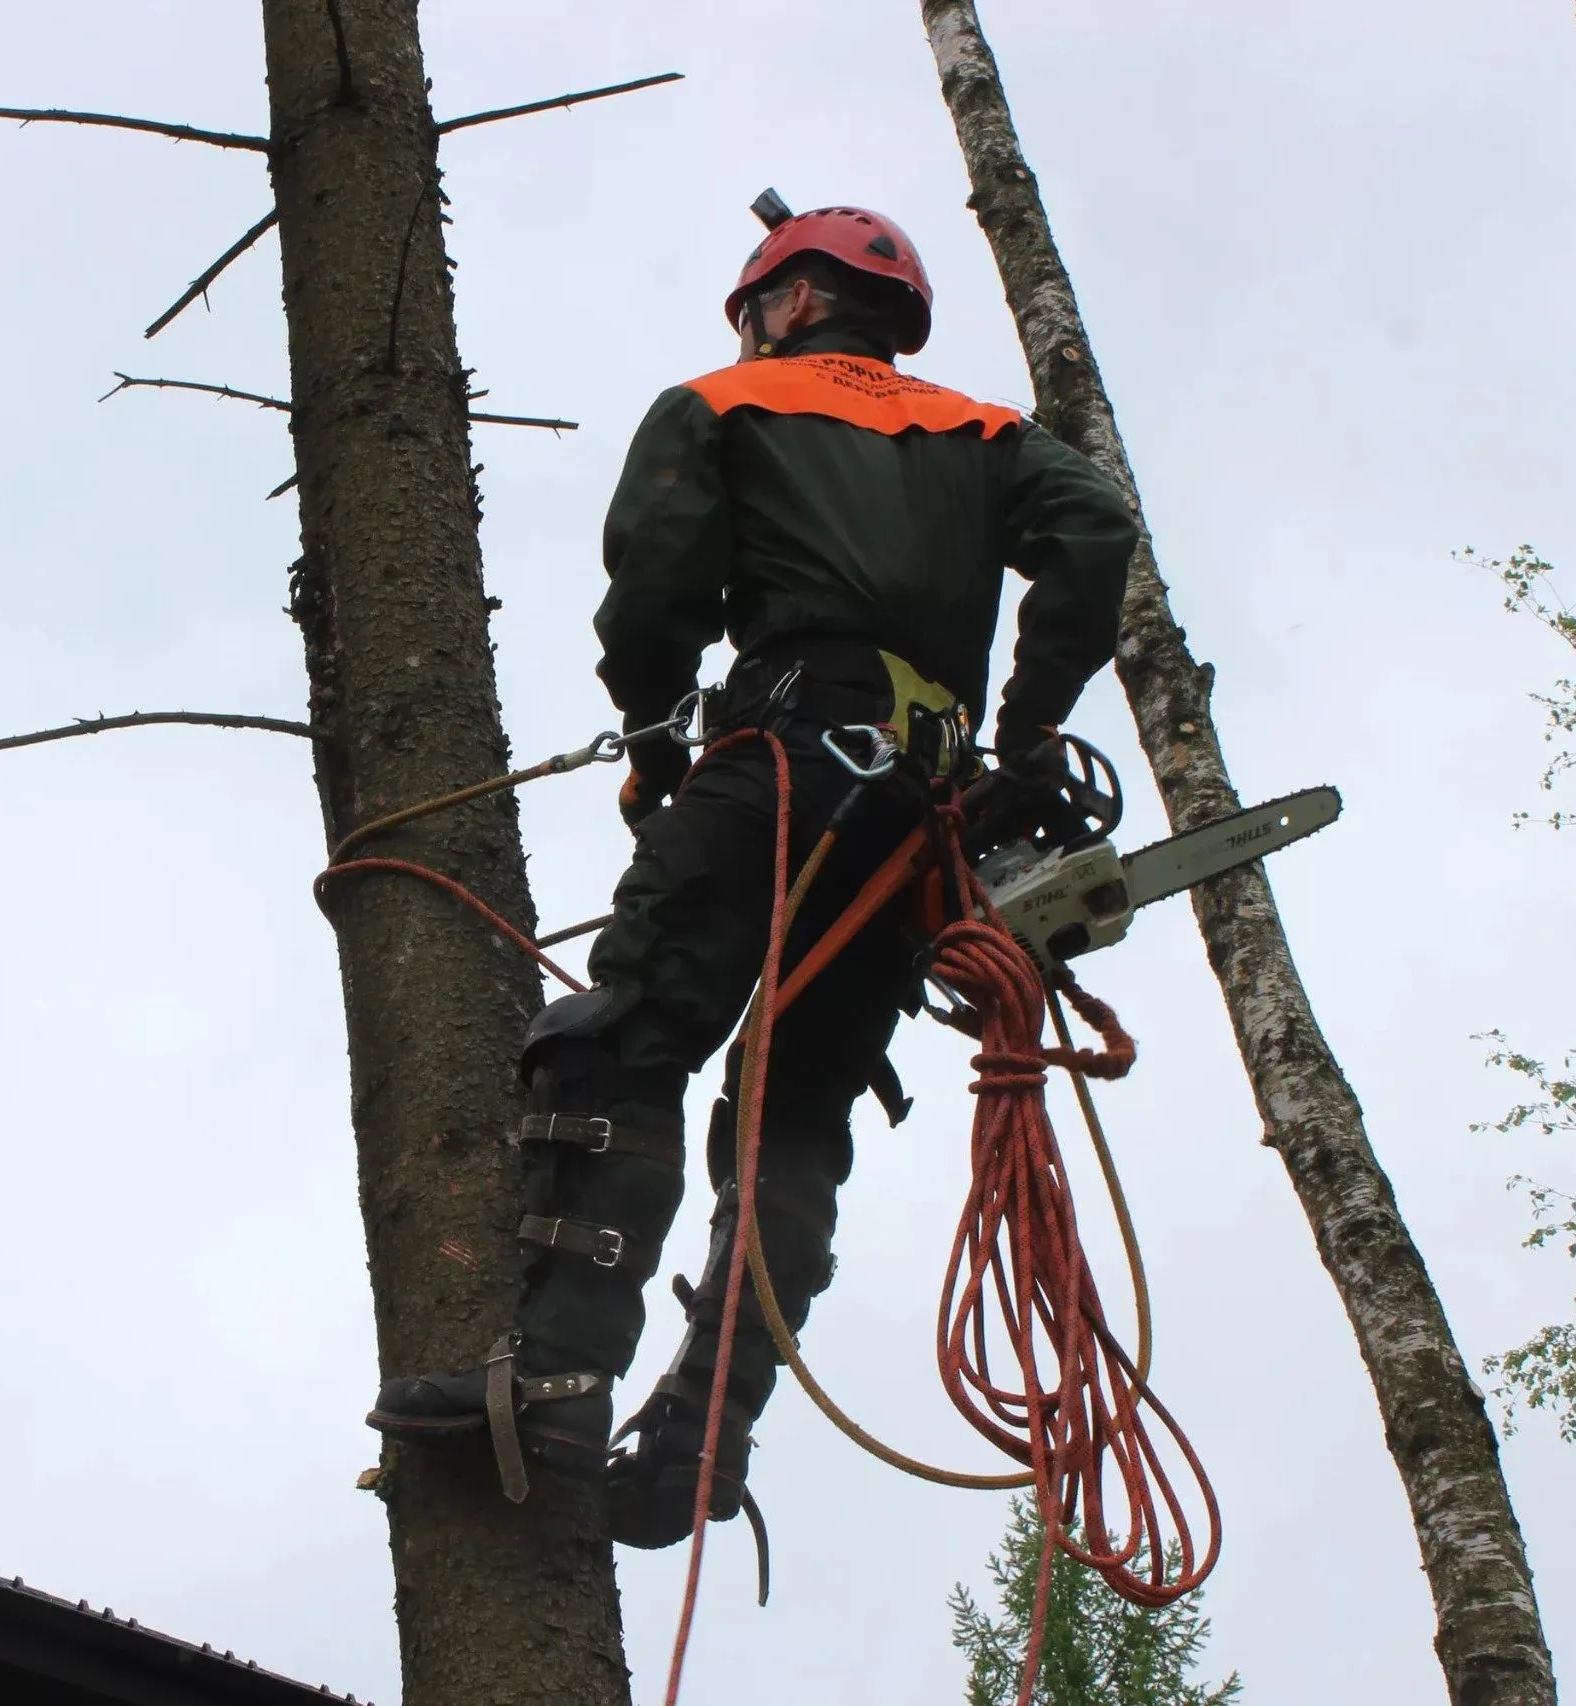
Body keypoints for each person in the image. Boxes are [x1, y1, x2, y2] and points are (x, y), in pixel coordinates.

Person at [365, 202, 1139, 1548]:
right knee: (794, 1111)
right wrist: (1020, 735)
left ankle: (551, 1381)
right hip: (922, 821)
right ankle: (703, 1431)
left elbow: (657, 584)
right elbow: (1097, 527)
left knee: (627, 1032)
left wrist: (662, 732)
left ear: (786, 305)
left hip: (787, 753)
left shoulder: (721, 403)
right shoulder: (982, 433)